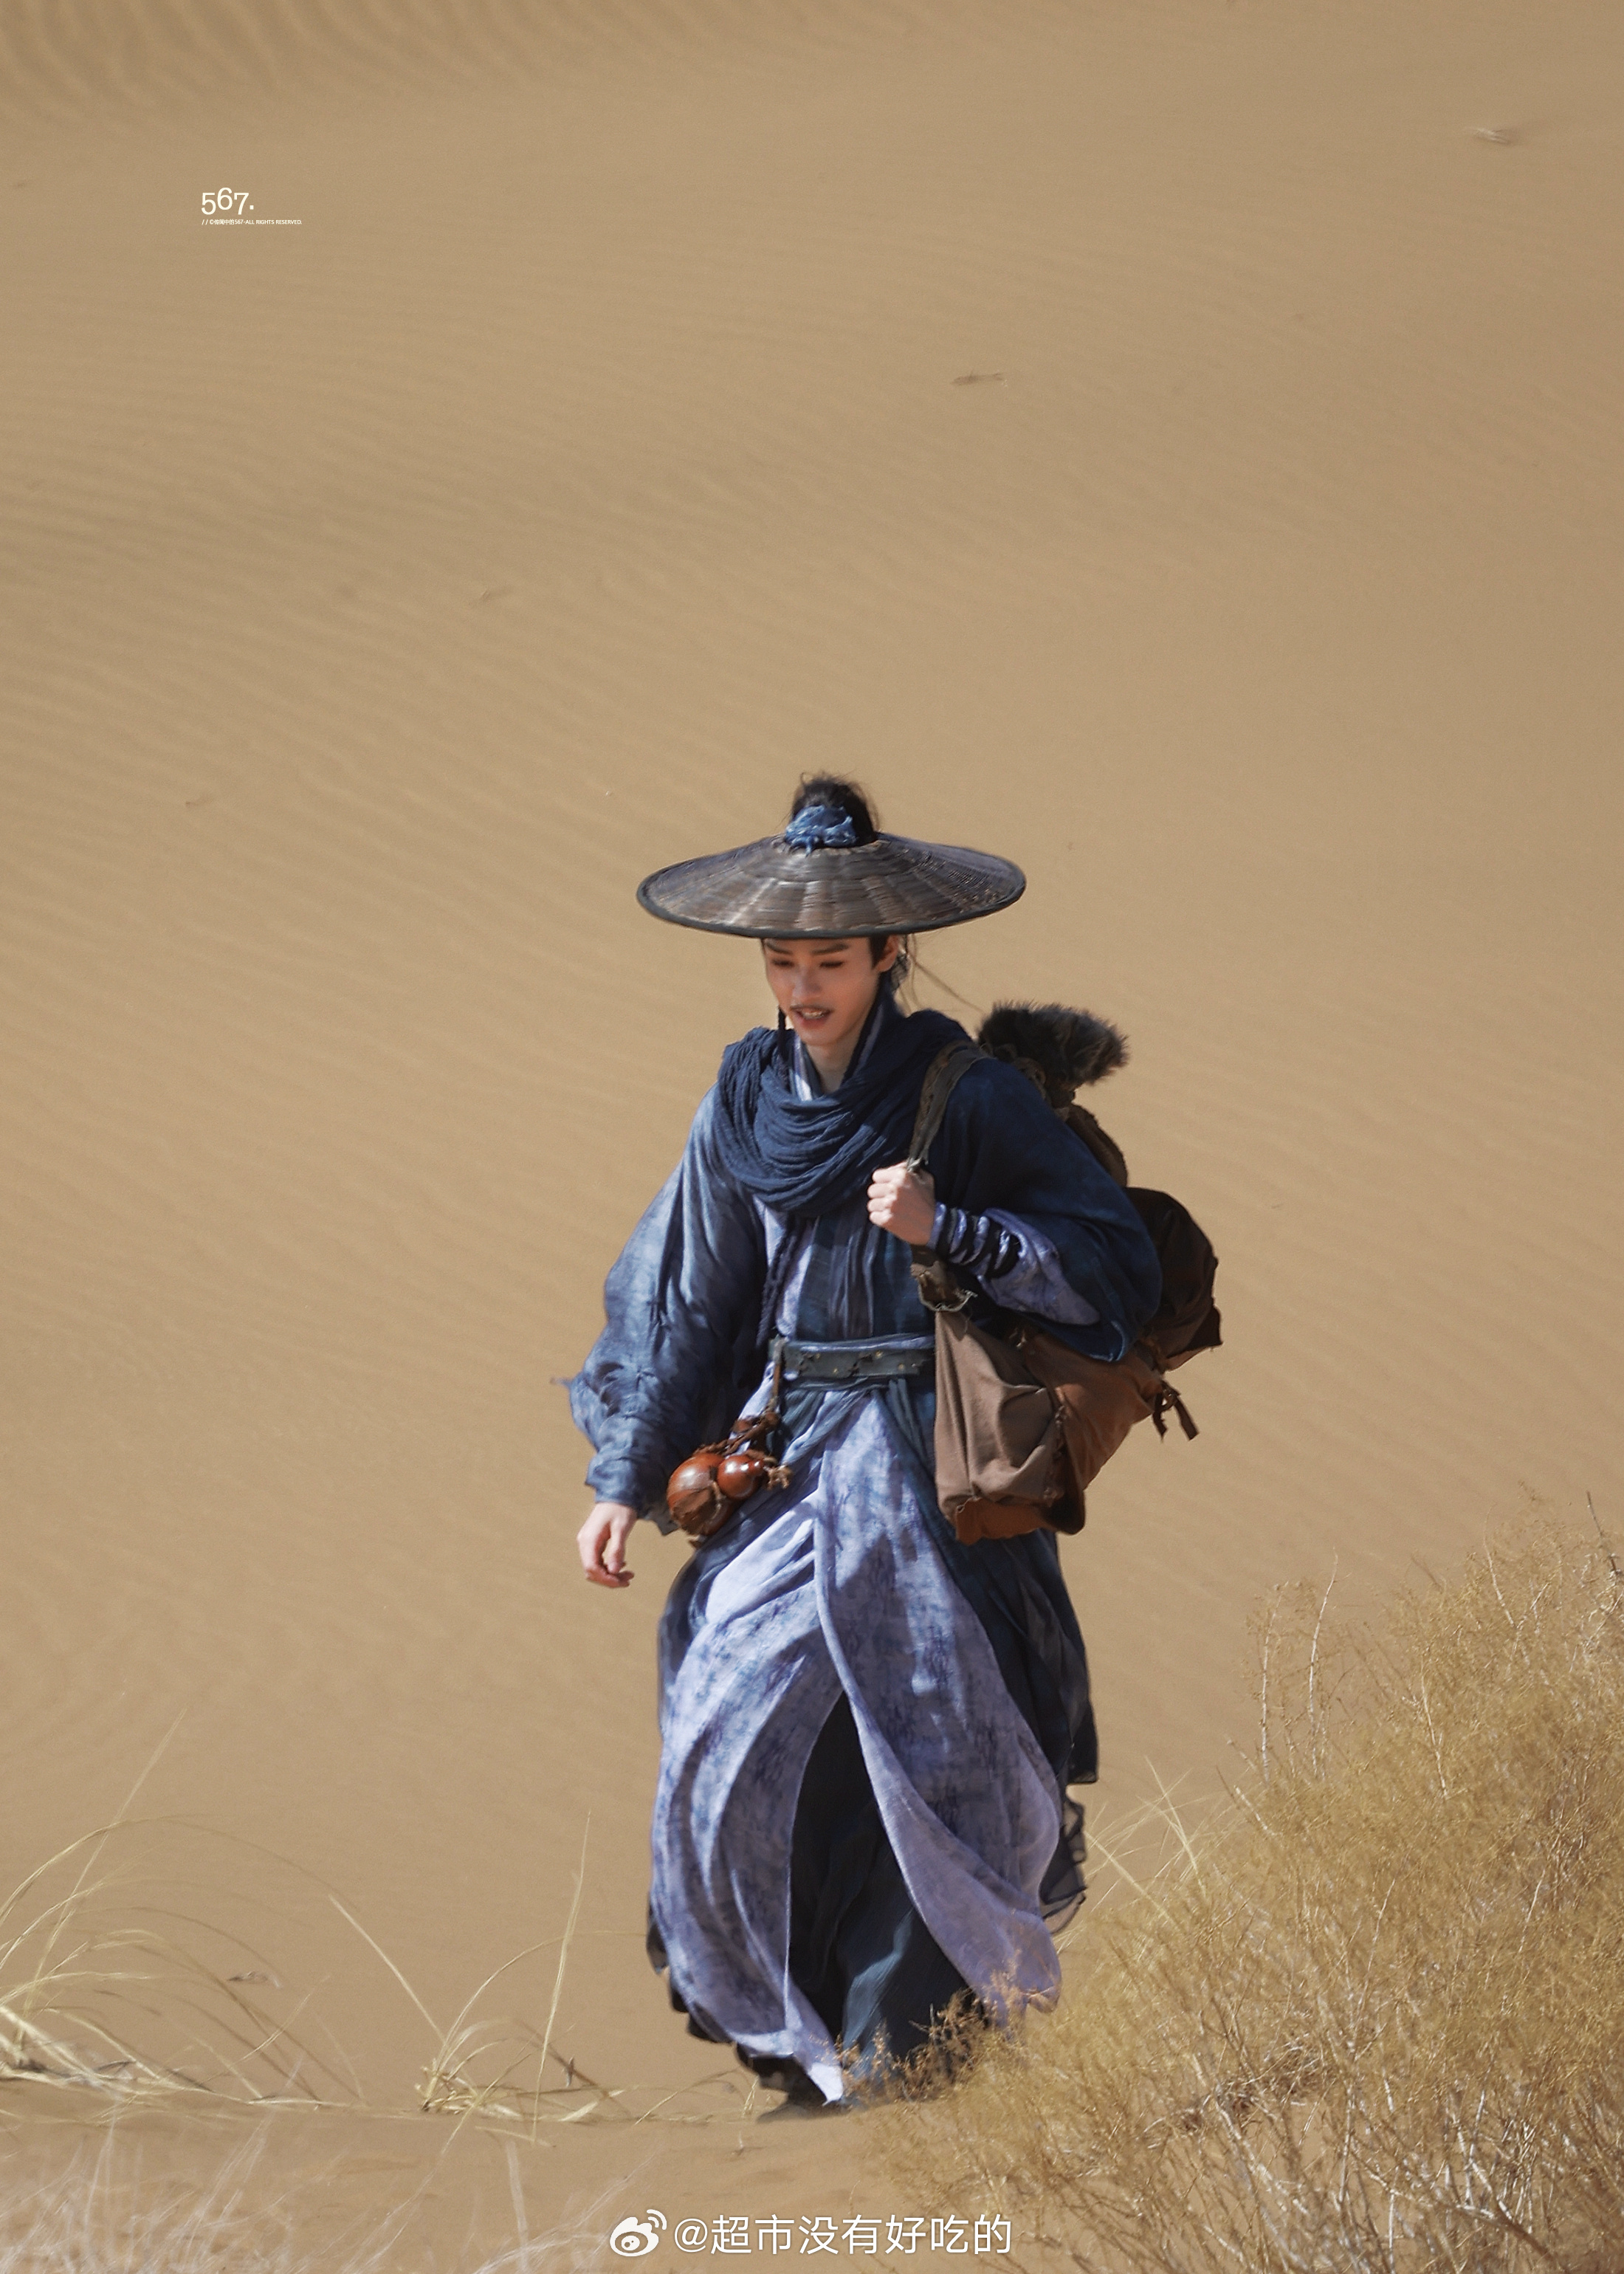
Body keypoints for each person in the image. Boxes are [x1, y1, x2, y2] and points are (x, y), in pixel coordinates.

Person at [568, 777, 1160, 2106]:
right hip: (784, 1467)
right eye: (782, 960)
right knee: (729, 1732)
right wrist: (622, 1481)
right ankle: (806, 2060)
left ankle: (915, 2069)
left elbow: (1108, 1267)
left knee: (934, 1746)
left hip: (934, 1477)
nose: (801, 986)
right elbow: (696, 1303)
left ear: (887, 954)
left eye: (829, 960)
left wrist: (950, 1229)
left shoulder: (967, 1090)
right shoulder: (741, 1096)